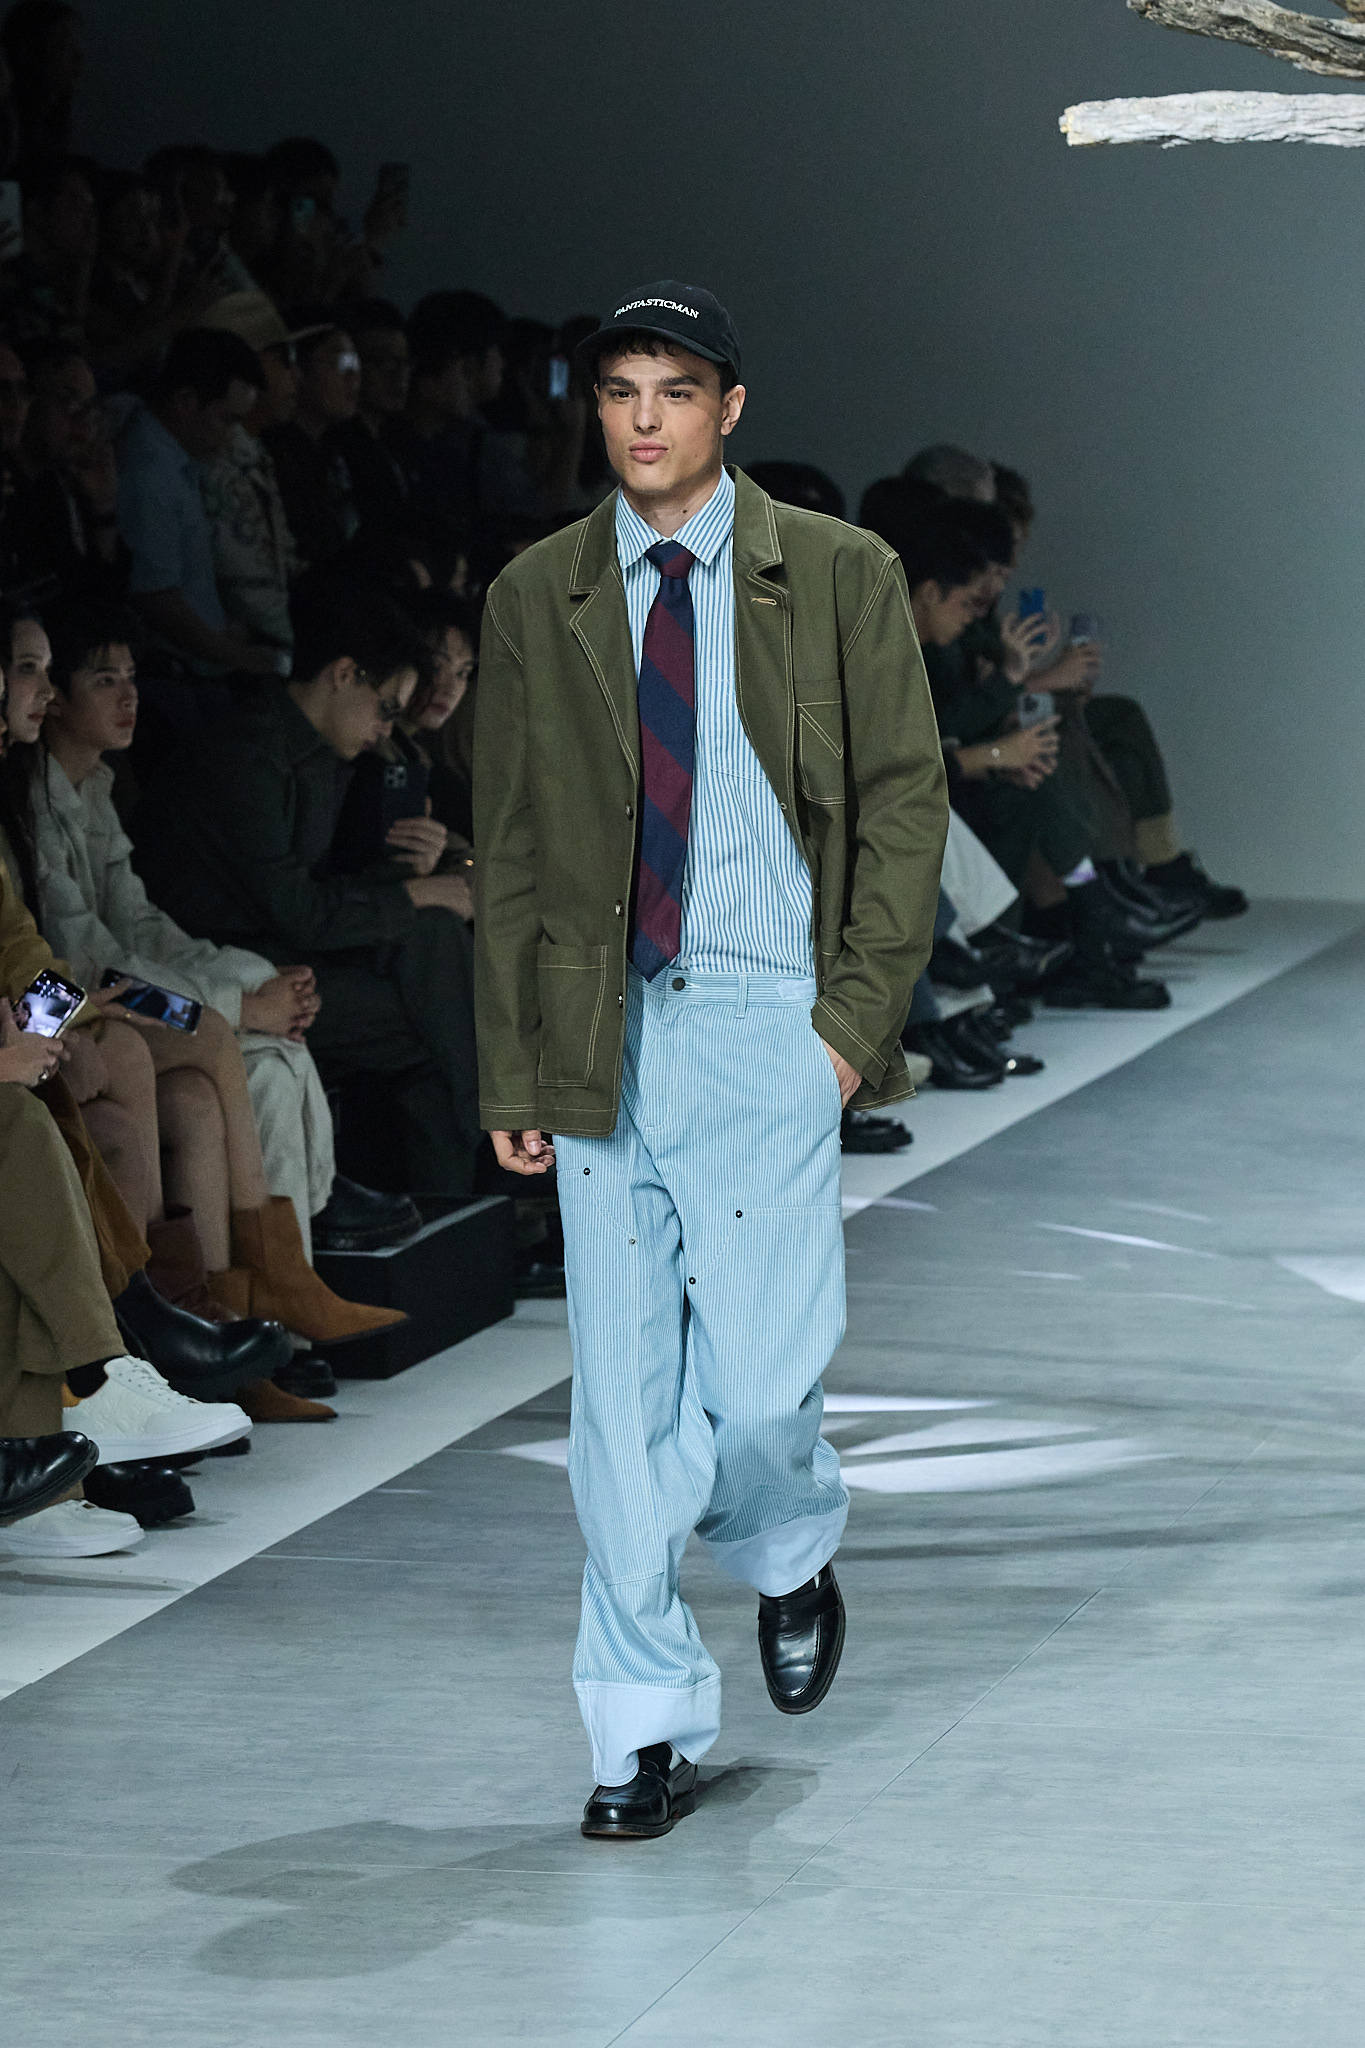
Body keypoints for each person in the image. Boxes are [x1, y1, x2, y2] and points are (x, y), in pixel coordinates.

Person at [473, 281, 948, 1837]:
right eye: (620, 390)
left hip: (766, 1019)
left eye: (674, 389)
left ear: (729, 408)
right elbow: (513, 843)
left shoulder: (838, 573)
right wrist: (515, 1069)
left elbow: (904, 804)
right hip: (598, 1029)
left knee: (756, 1390)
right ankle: (636, 1732)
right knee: (618, 1409)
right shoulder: (537, 593)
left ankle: (789, 1540)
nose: (645, 418)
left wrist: (846, 1033)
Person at [0, 601, 405, 1370]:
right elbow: (80, 955)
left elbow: (123, 929)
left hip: (77, 998)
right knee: (212, 1033)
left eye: (130, 675)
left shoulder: (88, 789)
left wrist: (249, 980)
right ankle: (231, 1301)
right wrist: (235, 1004)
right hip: (78, 1001)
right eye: (100, 678)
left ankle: (225, 1311)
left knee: (211, 1085)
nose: (128, 694)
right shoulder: (29, 797)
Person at [131, 587, 484, 1197]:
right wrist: (417, 893)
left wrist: (412, 883)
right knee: (431, 1027)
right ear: (343, 675)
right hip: (227, 965)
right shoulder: (245, 756)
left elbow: (314, 895)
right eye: (385, 707)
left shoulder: (317, 756)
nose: (385, 728)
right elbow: (299, 911)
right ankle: (475, 1175)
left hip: (284, 946)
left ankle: (475, 1173)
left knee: (432, 941)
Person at [115, 325, 282, 682]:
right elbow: (156, 599)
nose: (232, 435)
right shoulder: (150, 471)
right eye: (227, 419)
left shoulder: (177, 459)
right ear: (186, 402)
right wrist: (235, 656)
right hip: (177, 675)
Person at [197, 292, 310, 656]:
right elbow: (247, 590)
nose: (297, 374)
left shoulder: (254, 453)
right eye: (285, 359)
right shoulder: (216, 461)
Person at [11, 340, 129, 605]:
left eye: (91, 406)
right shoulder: (11, 492)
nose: (84, 421)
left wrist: (103, 508)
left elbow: (103, 596)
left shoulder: (60, 485)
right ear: (27, 400)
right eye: (69, 402)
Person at [0, 152, 96, 348]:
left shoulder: (62, 282)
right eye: (77, 205)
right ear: (36, 210)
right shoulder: (12, 282)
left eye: (91, 208)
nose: (91, 221)